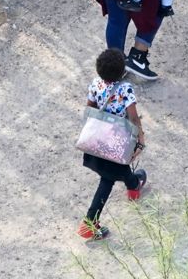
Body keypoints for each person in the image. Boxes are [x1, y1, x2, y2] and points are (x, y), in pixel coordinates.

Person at [77, 49, 147, 240]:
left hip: (98, 137)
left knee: (115, 170)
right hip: (117, 139)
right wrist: (140, 139)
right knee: (108, 177)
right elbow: (132, 116)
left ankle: (134, 186)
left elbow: (90, 108)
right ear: (122, 70)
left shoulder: (95, 84)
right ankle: (89, 222)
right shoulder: (125, 89)